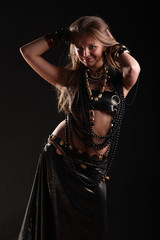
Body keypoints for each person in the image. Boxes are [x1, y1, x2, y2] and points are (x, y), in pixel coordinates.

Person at [18, 16, 140, 240]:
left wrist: (114, 46)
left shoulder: (119, 80)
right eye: (79, 48)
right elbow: (28, 52)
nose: (85, 54)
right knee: (55, 231)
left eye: (92, 47)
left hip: (94, 170)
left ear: (105, 45)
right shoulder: (72, 79)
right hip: (60, 160)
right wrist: (64, 35)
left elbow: (133, 67)